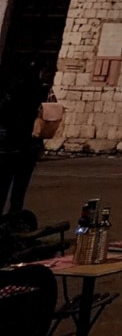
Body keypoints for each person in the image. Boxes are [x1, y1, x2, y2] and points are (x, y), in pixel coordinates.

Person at [0, 61, 47, 219]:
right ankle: (14, 217)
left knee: (4, 183)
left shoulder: (10, 91)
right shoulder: (38, 91)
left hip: (10, 146)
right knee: (19, 188)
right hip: (25, 147)